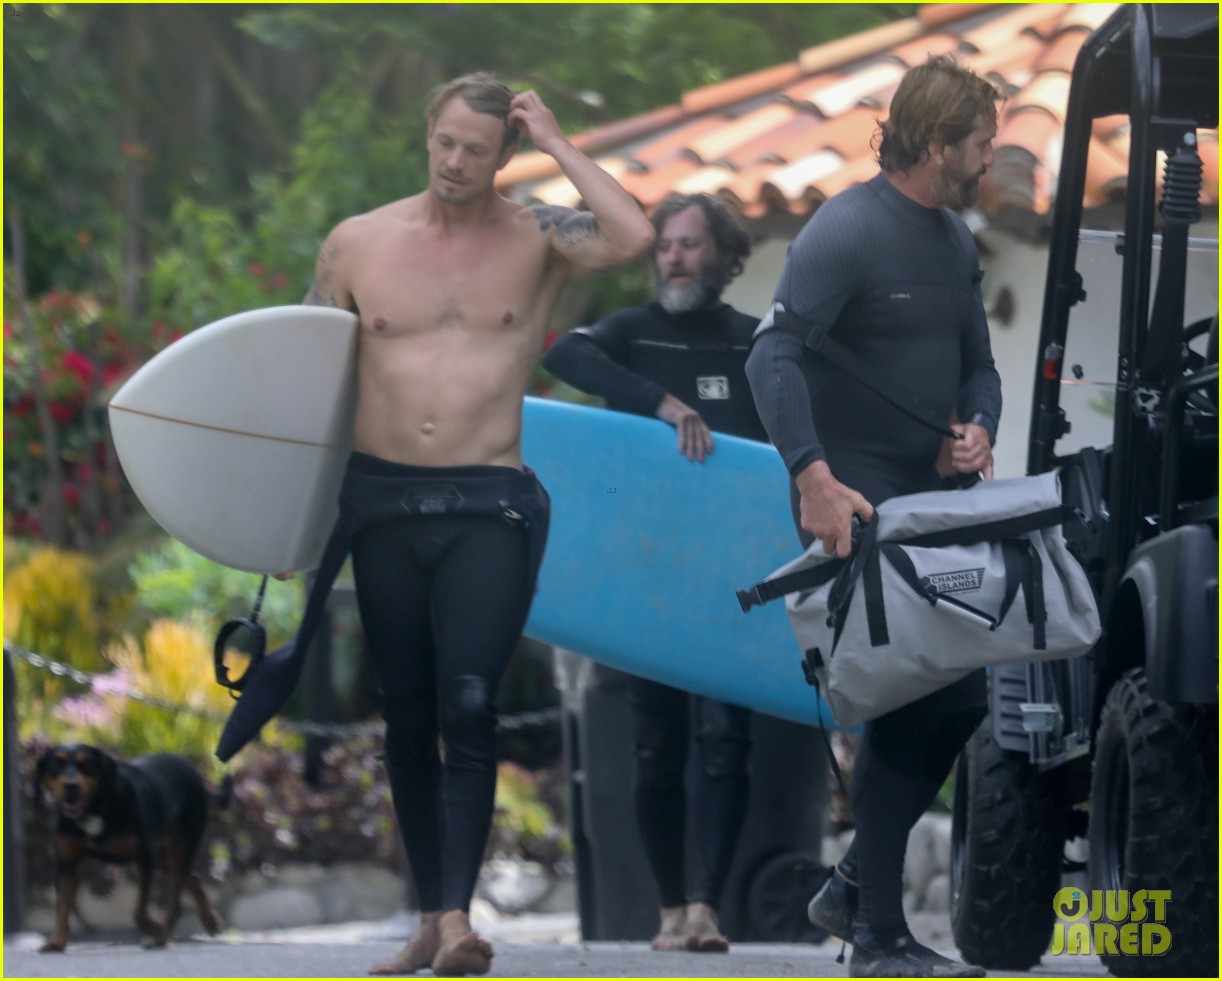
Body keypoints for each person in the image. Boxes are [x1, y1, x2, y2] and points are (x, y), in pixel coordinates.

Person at [215, 72, 654, 977]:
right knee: (408, 714)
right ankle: (431, 918)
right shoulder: (357, 243)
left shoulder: (537, 237)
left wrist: (557, 139)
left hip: (487, 500)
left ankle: (455, 919)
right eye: (446, 143)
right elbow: (305, 380)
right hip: (380, 503)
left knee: (469, 701)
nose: (456, 162)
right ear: (428, 135)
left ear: (505, 155)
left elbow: (633, 236)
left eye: (477, 150)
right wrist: (285, 518)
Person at [745, 55, 1002, 978]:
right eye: (981, 142)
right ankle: (878, 935)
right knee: (909, 691)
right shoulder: (847, 228)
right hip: (852, 493)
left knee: (959, 693)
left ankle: (855, 887)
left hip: (928, 497)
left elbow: (980, 365)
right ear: (935, 142)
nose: (991, 158)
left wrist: (978, 427)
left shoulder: (953, 239)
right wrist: (811, 478)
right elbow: (770, 358)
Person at [543, 192, 765, 953]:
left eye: (690, 245)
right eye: (665, 245)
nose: (673, 258)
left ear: (725, 256)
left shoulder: (751, 342)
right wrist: (660, 402)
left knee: (728, 740)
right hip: (647, 565)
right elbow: (561, 355)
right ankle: (670, 907)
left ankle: (707, 907)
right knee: (655, 743)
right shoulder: (630, 333)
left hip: (732, 568)